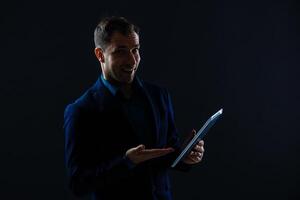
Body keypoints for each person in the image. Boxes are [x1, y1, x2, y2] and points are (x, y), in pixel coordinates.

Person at [63, 16, 205, 200]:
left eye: (135, 50)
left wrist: (185, 156)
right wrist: (127, 162)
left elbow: (167, 152)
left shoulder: (159, 96)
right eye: (120, 51)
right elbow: (78, 183)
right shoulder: (81, 111)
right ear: (100, 55)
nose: (131, 60)